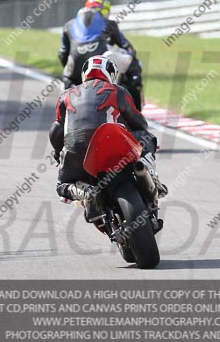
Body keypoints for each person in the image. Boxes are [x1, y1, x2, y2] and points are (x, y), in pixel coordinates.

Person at [49, 54, 167, 222]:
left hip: (76, 149)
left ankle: (86, 192)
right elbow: (139, 122)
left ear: (84, 74)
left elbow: (56, 131)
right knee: (146, 137)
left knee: (62, 185)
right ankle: (149, 172)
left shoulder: (65, 95)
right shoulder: (118, 91)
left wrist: (57, 153)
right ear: (111, 74)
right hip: (112, 145)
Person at [58, 0, 144, 108]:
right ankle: (136, 111)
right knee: (132, 60)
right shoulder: (109, 24)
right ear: (103, 10)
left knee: (65, 82)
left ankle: (63, 116)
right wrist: (134, 70)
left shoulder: (68, 25)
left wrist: (68, 74)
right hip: (102, 64)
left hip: (76, 71)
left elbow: (63, 54)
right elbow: (128, 47)